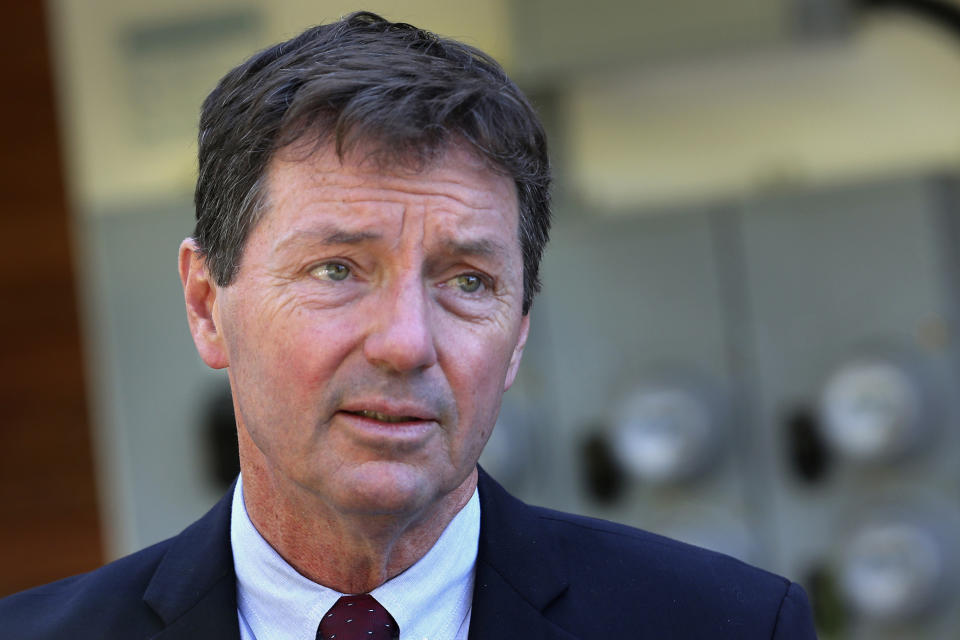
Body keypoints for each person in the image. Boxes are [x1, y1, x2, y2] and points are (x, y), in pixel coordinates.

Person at [0, 11, 817, 639]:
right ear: (206, 304)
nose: (405, 343)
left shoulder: (729, 625)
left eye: (467, 281)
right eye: (337, 270)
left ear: (519, 332)